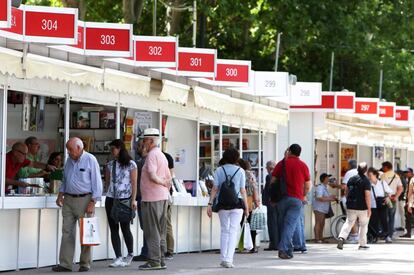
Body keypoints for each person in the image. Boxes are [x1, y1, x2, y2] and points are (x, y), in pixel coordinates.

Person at [52, 137, 103, 272]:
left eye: (70, 150)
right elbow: (65, 179)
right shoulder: (69, 160)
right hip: (68, 199)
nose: (68, 152)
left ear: (79, 148)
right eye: (68, 150)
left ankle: (84, 263)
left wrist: (93, 201)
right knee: (67, 231)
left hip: (85, 199)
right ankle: (65, 264)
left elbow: (97, 182)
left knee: (86, 232)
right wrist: (60, 194)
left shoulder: (90, 159)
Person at [207, 148, 249, 268]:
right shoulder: (240, 171)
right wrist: (246, 207)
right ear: (236, 158)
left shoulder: (219, 170)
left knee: (224, 230)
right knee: (233, 230)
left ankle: (223, 257)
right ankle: (229, 259)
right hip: (237, 204)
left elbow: (215, 189)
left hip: (222, 204)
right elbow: (243, 190)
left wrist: (210, 204)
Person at [139, 128, 172, 271]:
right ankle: (161, 259)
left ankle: (154, 260)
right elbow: (169, 177)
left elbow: (152, 176)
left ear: (151, 141)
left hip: (152, 198)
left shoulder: (152, 155)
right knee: (161, 230)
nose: (143, 143)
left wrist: (161, 182)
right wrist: (165, 183)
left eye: (145, 140)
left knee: (152, 230)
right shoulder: (162, 155)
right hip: (162, 197)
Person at [272, 144, 311, 259]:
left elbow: (273, 181)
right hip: (296, 199)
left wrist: (273, 197)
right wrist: (303, 195)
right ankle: (284, 249)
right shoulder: (303, 165)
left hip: (281, 199)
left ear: (289, 151)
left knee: (283, 225)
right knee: (289, 225)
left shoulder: (281, 163)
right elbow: (308, 185)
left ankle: (287, 249)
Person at [104, 139, 138, 267]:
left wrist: (133, 199)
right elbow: (107, 182)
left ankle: (130, 254)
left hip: (125, 199)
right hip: (111, 198)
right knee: (113, 228)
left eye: (114, 149)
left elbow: (134, 183)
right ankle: (118, 256)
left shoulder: (131, 165)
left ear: (120, 148)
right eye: (111, 149)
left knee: (125, 227)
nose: (112, 152)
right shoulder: (109, 165)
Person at [337, 162, 371, 250]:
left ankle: (341, 237)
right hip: (362, 207)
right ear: (366, 170)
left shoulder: (351, 179)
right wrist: (369, 208)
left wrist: (349, 200)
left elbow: (346, 192)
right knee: (363, 225)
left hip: (351, 205)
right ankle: (362, 244)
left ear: (357, 169)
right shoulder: (366, 181)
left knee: (348, 222)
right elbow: (367, 195)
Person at [238, 158, 260, 253]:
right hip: (249, 199)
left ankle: (244, 245)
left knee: (242, 223)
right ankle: (252, 245)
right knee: (250, 223)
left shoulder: (241, 173)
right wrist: (257, 201)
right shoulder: (250, 174)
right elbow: (254, 188)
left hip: (241, 199)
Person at [133, 138, 149, 261]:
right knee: (146, 226)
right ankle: (146, 251)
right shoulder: (143, 161)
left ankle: (147, 252)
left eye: (139, 146)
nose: (137, 147)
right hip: (144, 196)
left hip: (143, 197)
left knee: (146, 226)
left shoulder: (141, 162)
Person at [380, 161, 403, 242]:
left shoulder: (383, 175)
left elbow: (381, 187)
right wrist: (396, 196)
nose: (382, 169)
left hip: (385, 198)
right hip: (393, 199)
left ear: (386, 167)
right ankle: (390, 235)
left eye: (383, 167)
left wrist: (388, 196)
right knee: (391, 217)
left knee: (383, 217)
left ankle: (384, 234)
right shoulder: (396, 176)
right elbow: (400, 188)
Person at [368, 167, 392, 241]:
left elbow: (390, 191)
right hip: (372, 205)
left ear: (375, 175)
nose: (368, 177)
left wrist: (388, 197)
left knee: (384, 220)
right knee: (373, 221)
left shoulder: (382, 183)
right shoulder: (367, 184)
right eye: (368, 175)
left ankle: (387, 236)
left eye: (370, 175)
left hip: (382, 204)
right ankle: (374, 237)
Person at [312, 173, 337, 243]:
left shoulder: (324, 187)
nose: (328, 179)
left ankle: (321, 237)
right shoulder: (320, 187)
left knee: (322, 223)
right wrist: (330, 199)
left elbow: (325, 196)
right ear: (323, 179)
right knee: (318, 222)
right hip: (319, 208)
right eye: (327, 178)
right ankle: (317, 238)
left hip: (323, 208)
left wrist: (332, 197)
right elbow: (319, 198)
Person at [262, 160, 278, 251]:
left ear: (269, 168)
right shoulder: (278, 175)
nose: (266, 169)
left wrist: (267, 200)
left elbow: (269, 190)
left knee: (272, 223)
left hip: (271, 202)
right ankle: (276, 242)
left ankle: (274, 243)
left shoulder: (270, 176)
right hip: (277, 202)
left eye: (266, 167)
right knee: (276, 222)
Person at [163, 151, 175, 260]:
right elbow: (171, 176)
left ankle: (169, 250)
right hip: (166, 194)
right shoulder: (168, 157)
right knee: (167, 223)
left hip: (164, 194)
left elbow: (170, 177)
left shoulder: (166, 157)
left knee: (166, 223)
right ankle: (169, 250)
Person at [398, 168, 413, 235]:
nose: (405, 174)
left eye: (407, 172)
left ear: (411, 172)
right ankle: (408, 233)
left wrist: (409, 202)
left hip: (411, 202)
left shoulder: (411, 180)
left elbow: (411, 192)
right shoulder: (408, 180)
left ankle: (408, 232)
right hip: (409, 201)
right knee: (408, 217)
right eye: (405, 173)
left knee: (408, 217)